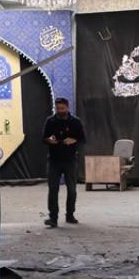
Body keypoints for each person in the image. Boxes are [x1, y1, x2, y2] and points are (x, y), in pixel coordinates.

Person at [43, 97, 85, 227]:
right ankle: (53, 218)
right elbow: (44, 138)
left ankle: (70, 215)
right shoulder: (50, 121)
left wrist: (73, 140)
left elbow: (82, 139)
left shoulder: (76, 122)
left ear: (67, 107)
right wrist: (49, 140)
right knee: (53, 189)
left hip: (70, 160)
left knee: (72, 189)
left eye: (62, 108)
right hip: (54, 160)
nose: (60, 111)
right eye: (58, 108)